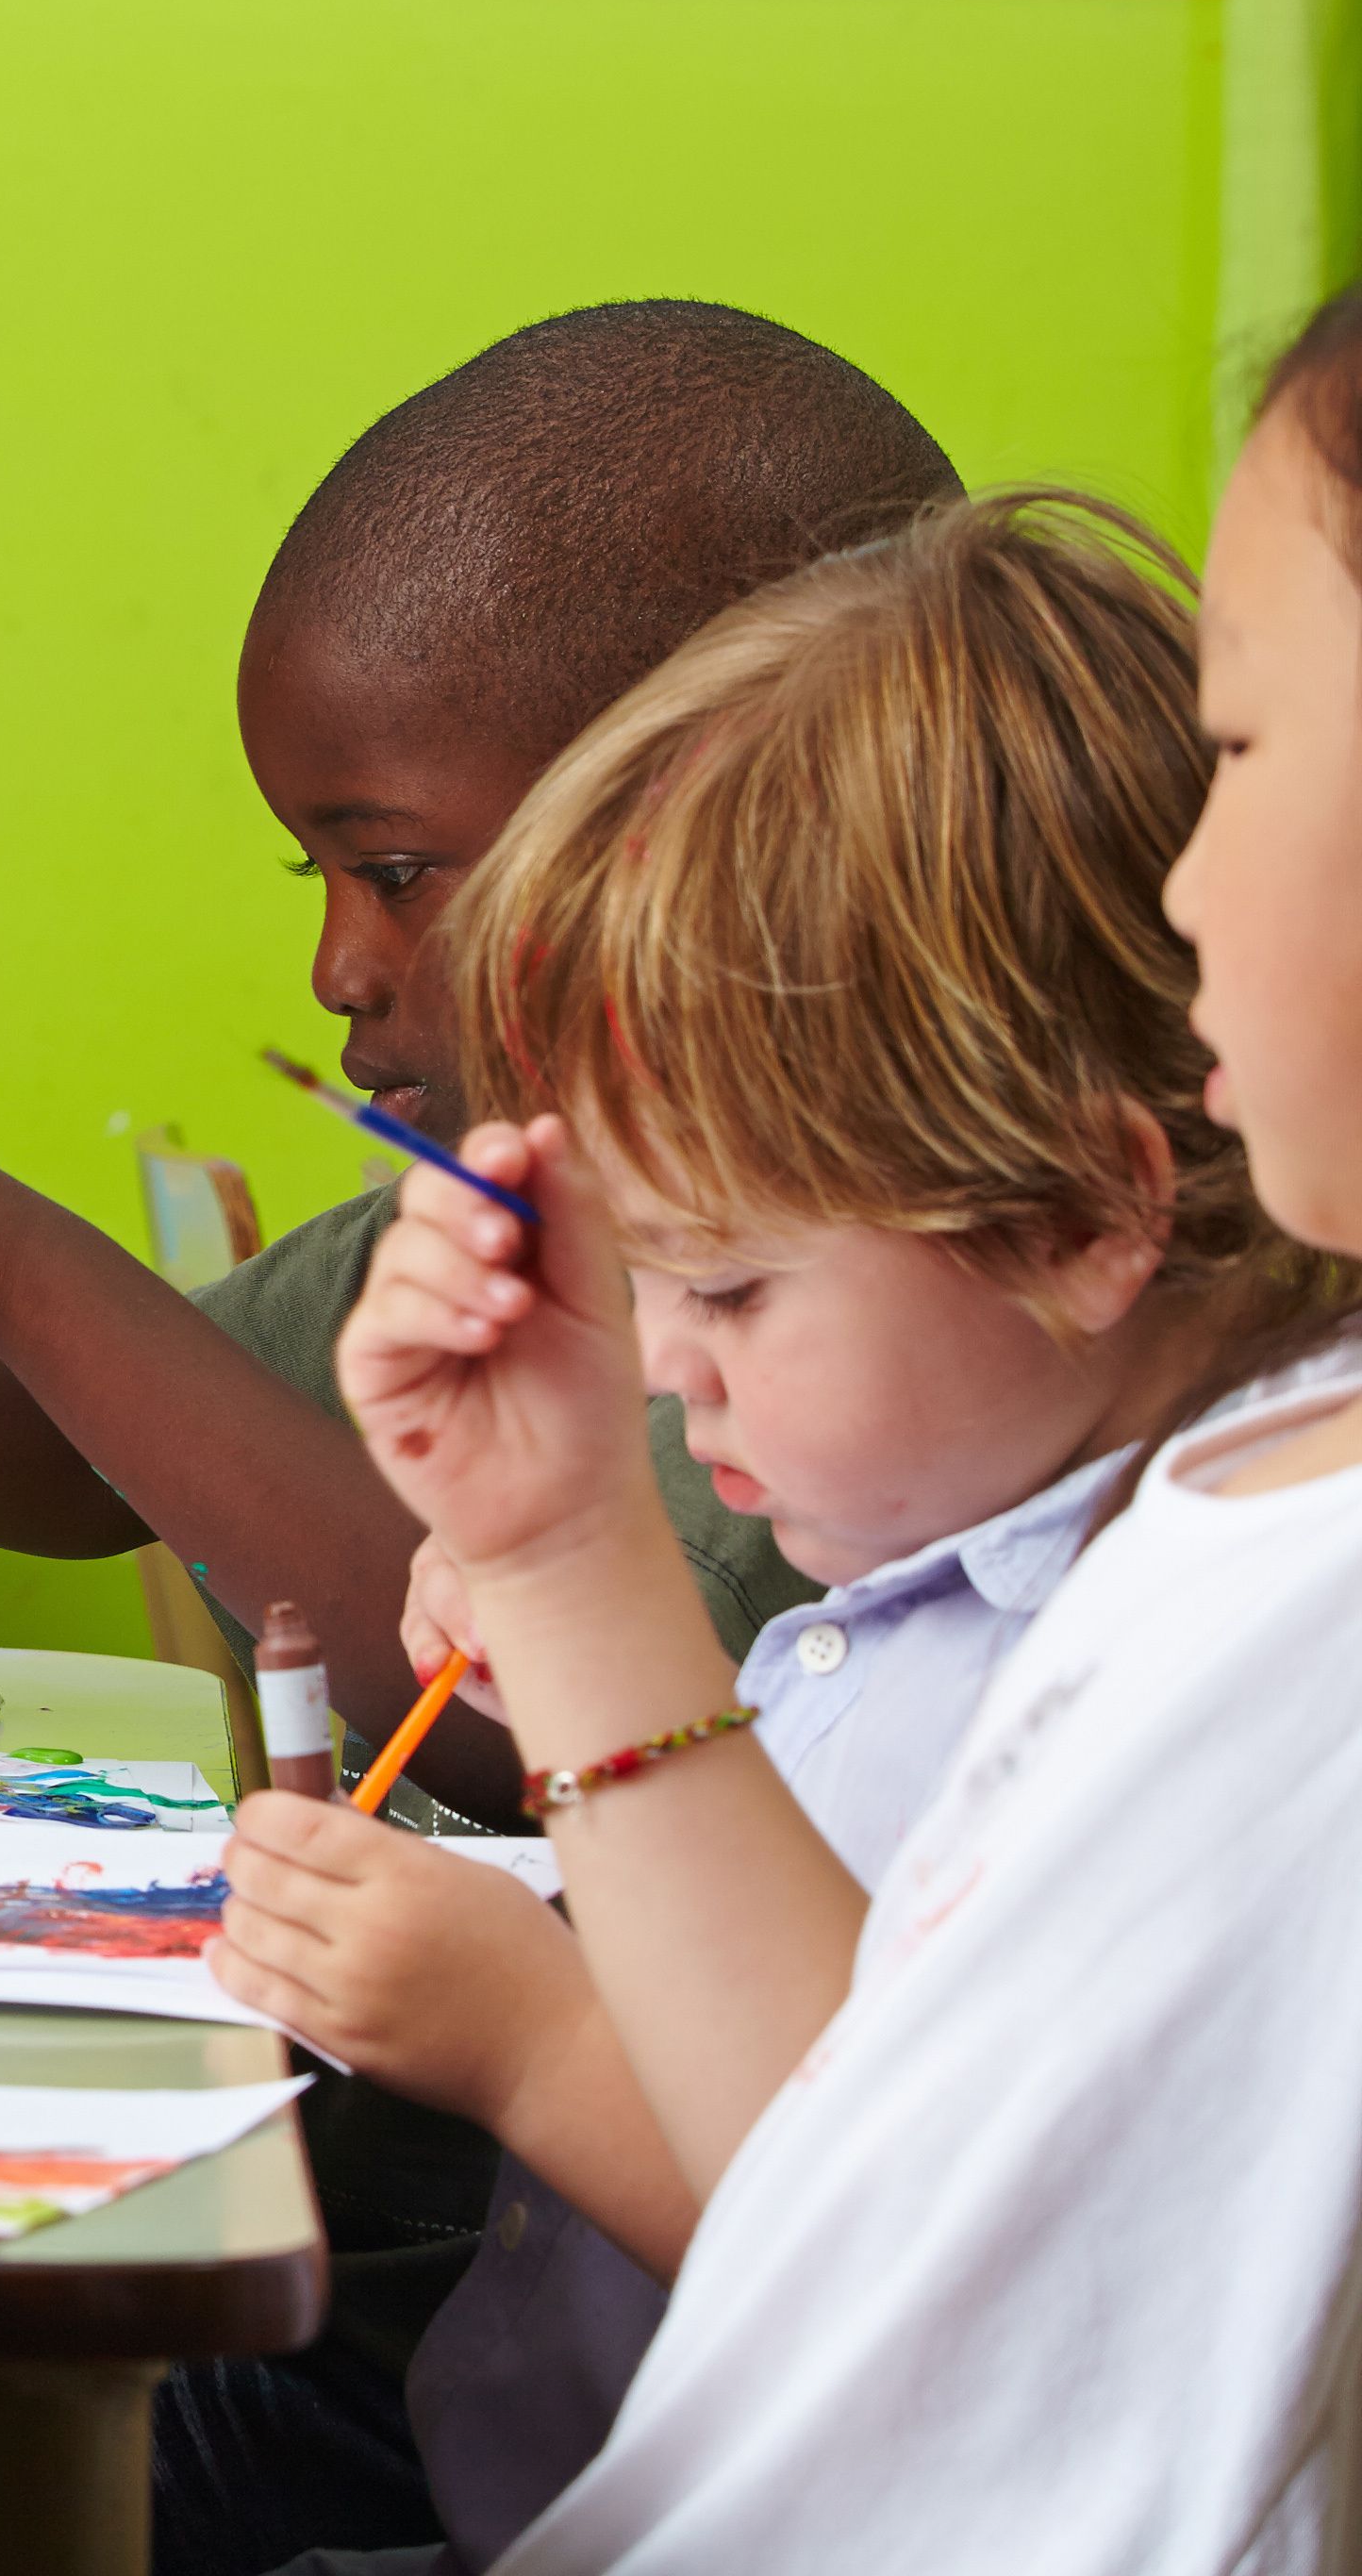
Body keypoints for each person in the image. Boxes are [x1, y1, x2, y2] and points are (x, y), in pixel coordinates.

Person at [299, 301, 1362, 2573]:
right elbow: (872, 2169)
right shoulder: (1230, 1511)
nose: (1192, 882)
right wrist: (569, 1552)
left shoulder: (1295, 1595)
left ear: (1088, 1215)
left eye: (1253, 745)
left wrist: (518, 2022)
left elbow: (907, 2305)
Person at [0, 303, 955, 1811]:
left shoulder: (866, 1300)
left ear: (699, 819)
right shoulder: (499, 1191)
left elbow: (522, 1734)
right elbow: (91, 1459)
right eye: (313, 879)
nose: (339, 968)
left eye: (394, 873)